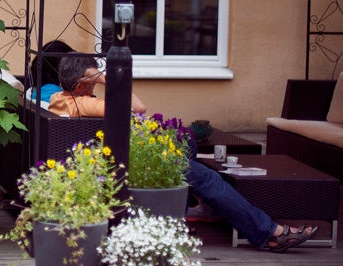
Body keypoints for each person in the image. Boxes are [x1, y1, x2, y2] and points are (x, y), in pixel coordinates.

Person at [47, 54, 317, 253]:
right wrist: (109, 79)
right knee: (209, 179)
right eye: (95, 75)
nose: (99, 79)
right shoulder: (86, 103)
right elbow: (139, 108)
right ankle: (268, 233)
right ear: (83, 82)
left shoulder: (60, 98)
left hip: (123, 153)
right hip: (128, 162)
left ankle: (187, 209)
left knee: (188, 143)